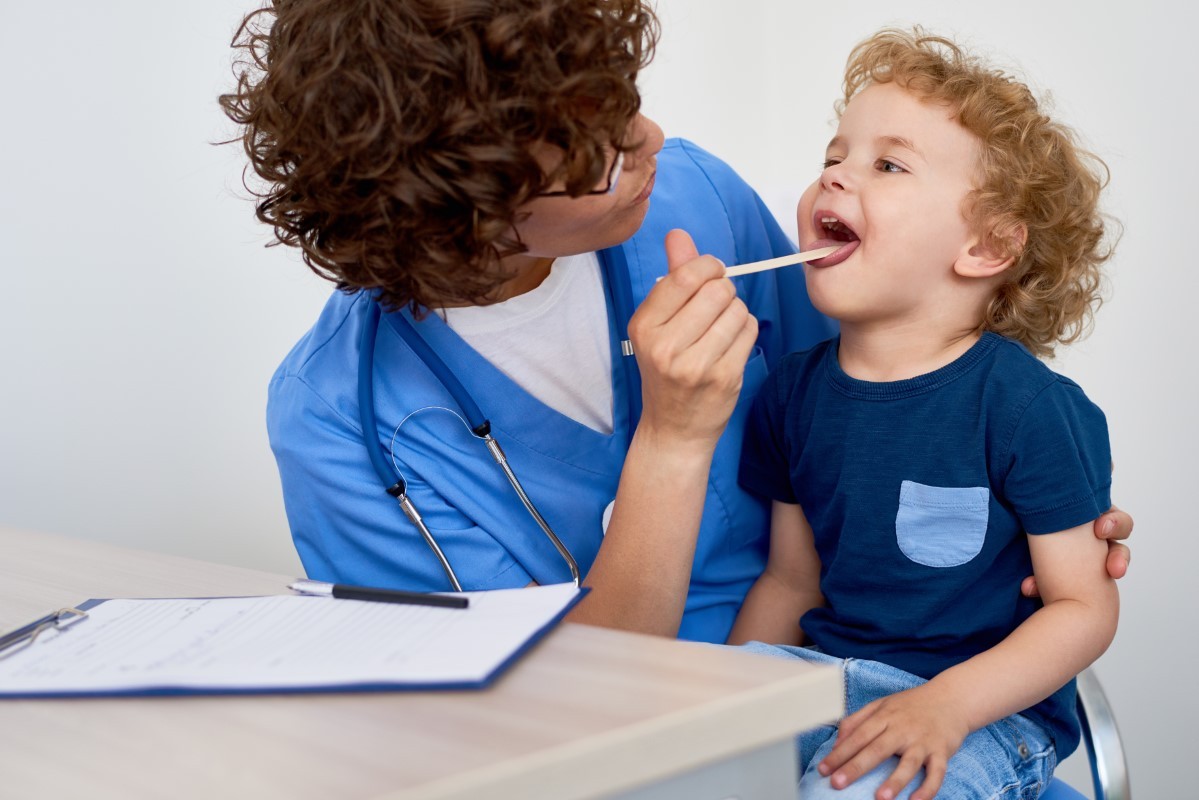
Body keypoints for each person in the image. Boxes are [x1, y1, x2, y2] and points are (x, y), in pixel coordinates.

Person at [218, 0, 1132, 646]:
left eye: (622, 98)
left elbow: (873, 421)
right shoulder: (342, 423)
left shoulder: (691, 198)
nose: (649, 138)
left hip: (838, 680)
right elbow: (539, 720)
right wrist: (672, 439)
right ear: (475, 213)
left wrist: (1007, 498)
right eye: (598, 148)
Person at [729, 27, 1122, 800]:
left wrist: (945, 705)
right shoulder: (790, 394)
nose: (836, 178)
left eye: (886, 164)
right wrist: (707, 706)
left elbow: (1081, 608)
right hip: (823, 680)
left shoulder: (1028, 409)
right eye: (832, 158)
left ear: (984, 247)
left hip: (980, 716)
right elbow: (788, 582)